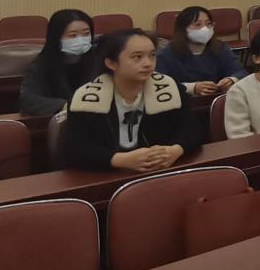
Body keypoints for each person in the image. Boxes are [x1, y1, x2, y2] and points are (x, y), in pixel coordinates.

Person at [64, 29, 199, 172]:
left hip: (160, 170)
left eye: (152, 55)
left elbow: (193, 130)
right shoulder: (86, 98)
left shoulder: (169, 89)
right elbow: (74, 150)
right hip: (106, 175)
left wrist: (175, 150)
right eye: (137, 57)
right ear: (111, 63)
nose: (148, 63)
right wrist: (119, 160)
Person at [19, 9, 98, 116]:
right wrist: (66, 106)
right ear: (56, 37)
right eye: (72, 35)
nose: (81, 40)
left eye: (86, 34)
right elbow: (28, 100)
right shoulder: (41, 65)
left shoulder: (99, 58)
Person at [156, 6, 246, 96]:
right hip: (183, 101)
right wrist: (192, 88)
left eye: (208, 24)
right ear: (183, 28)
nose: (205, 29)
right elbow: (160, 85)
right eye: (198, 24)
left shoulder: (220, 48)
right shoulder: (167, 53)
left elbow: (240, 72)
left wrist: (232, 79)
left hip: (216, 99)